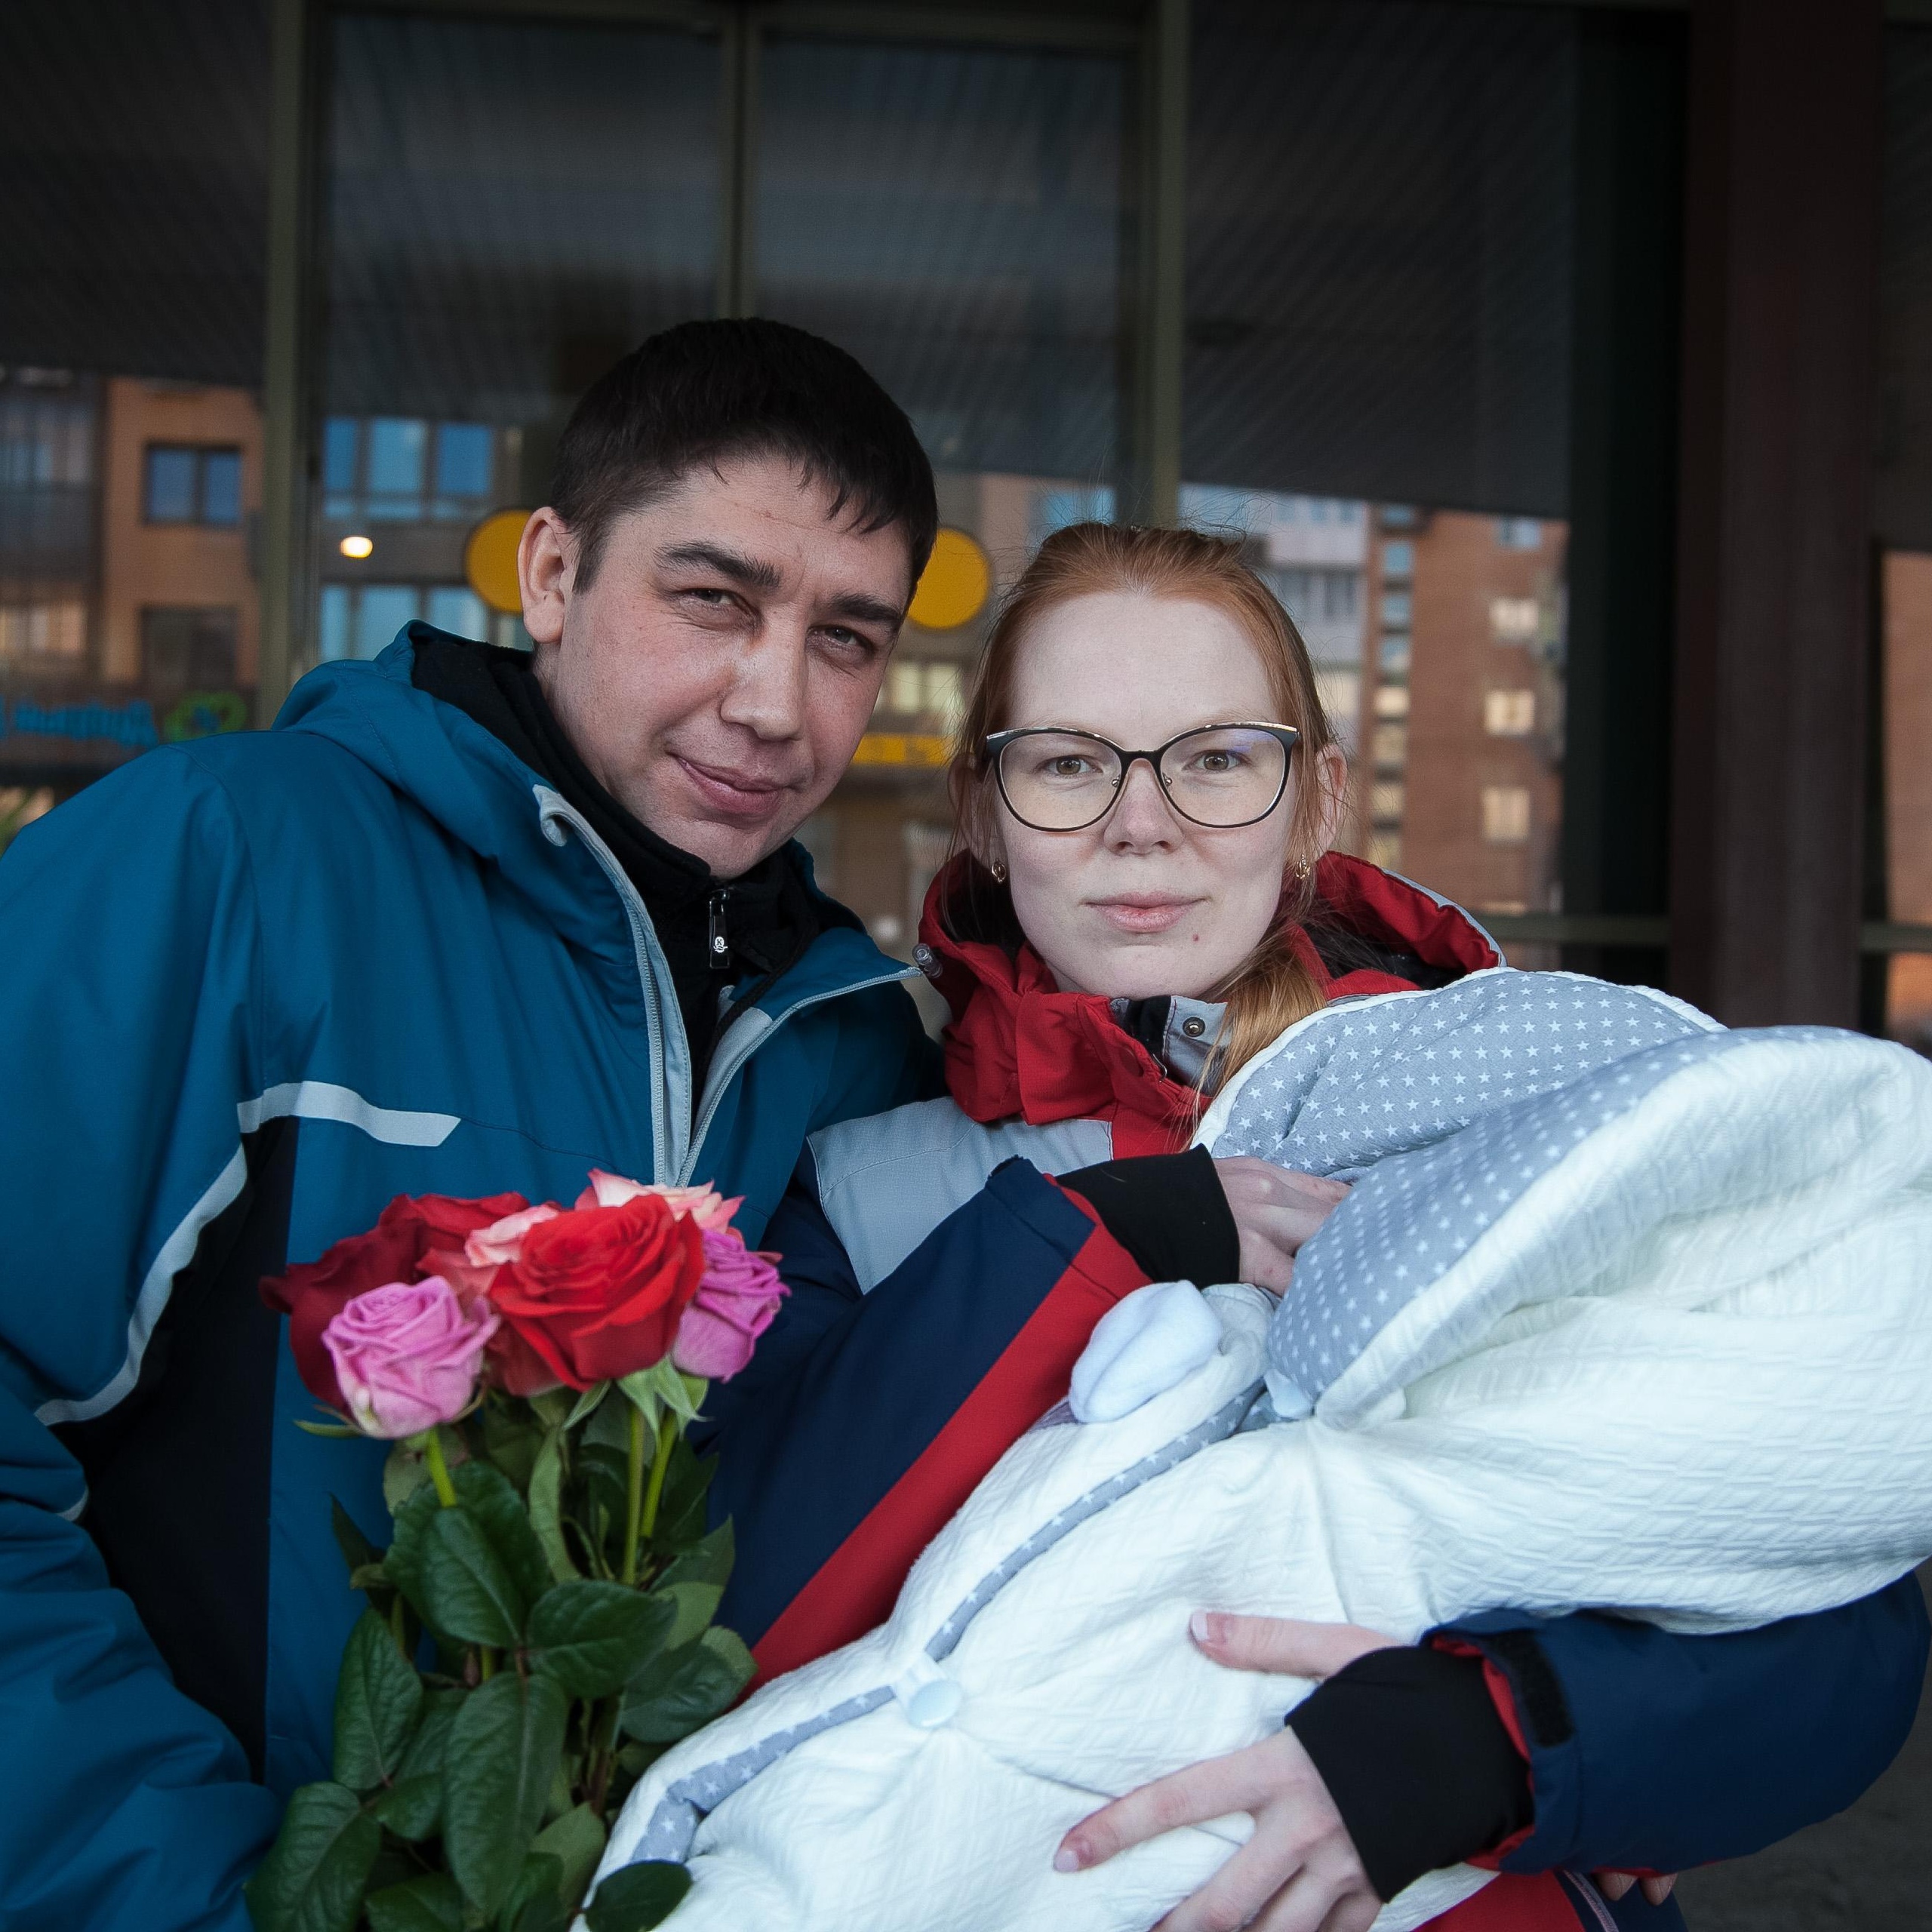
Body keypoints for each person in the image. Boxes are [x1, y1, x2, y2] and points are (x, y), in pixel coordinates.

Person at [691, 524, 1931, 1932]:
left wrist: (1517, 1740)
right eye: (1066, 761)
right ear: (984, 808)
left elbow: (1846, 1588)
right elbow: (735, 1629)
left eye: (1217, 759)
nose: (1139, 823)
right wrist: (1086, 1238)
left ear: (1316, 800)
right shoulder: (865, 1188)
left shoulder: (1533, 1115)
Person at [0, 318, 946, 1931]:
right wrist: (189, 1896)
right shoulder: (225, 854)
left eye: (846, 636)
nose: (776, 699)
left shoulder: (851, 1038)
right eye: (711, 598)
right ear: (555, 572)